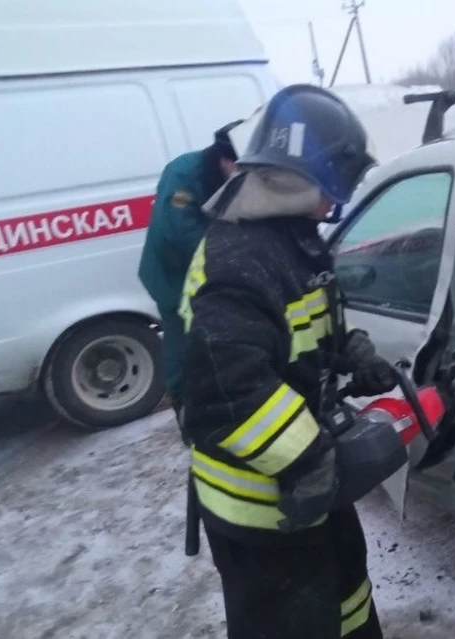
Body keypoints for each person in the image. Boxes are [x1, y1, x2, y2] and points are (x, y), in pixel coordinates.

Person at [178, 85, 396, 639]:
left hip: (306, 492)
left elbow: (298, 329)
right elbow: (226, 392)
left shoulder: (291, 237)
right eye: (335, 187)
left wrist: (349, 350)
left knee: (347, 599)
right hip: (259, 509)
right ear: (299, 177)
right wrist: (309, 457)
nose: (335, 203)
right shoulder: (238, 257)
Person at [137, 120, 242, 435]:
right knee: (183, 343)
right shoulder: (184, 175)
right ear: (225, 159)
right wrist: (233, 252)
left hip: (210, 273)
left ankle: (220, 397)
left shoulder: (229, 175)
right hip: (174, 276)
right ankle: (185, 406)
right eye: (238, 166)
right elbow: (178, 234)